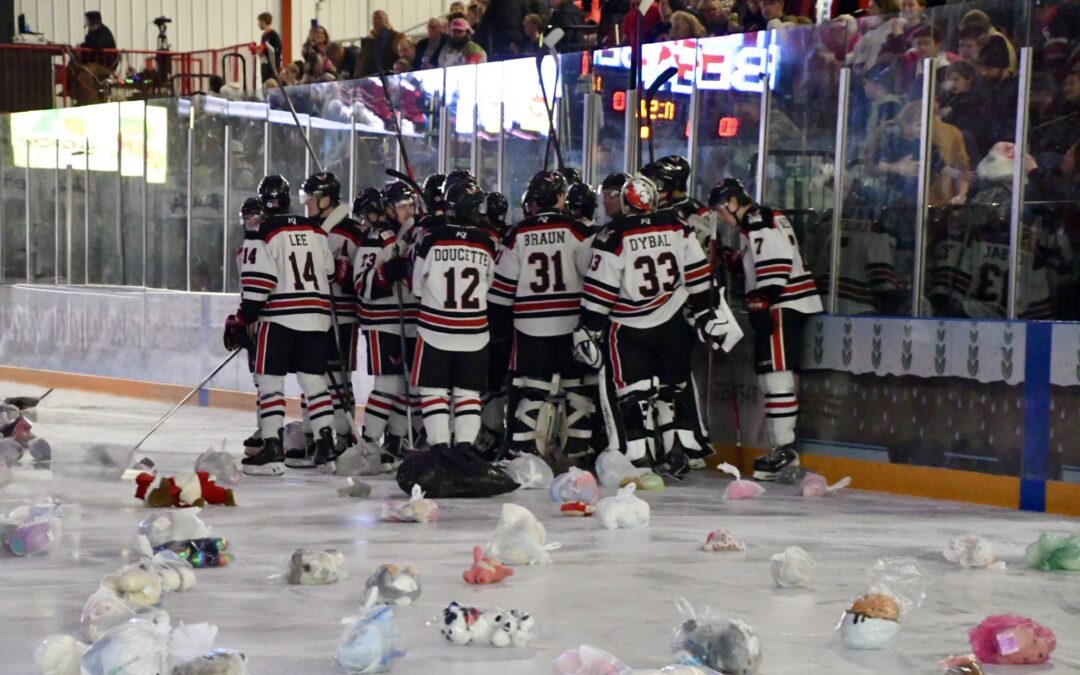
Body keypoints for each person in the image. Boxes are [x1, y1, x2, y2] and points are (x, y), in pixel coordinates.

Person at [574, 175, 731, 476]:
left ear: (625, 201)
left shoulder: (613, 234)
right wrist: (704, 313)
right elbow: (698, 275)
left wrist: (588, 327)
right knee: (672, 389)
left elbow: (600, 290)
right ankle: (677, 450)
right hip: (672, 323)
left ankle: (637, 456)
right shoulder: (676, 225)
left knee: (632, 394)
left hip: (629, 328)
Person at [709, 177, 822, 481]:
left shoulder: (757, 221)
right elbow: (763, 258)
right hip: (788, 304)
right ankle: (782, 447)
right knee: (772, 376)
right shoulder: (762, 220)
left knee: (777, 377)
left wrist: (762, 299)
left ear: (733, 202)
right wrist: (731, 259)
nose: (720, 216)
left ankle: (784, 449)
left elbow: (777, 262)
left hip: (783, 306)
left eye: (721, 209)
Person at [225, 175, 337, 475]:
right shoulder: (315, 229)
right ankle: (326, 444)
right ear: (288, 200)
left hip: (279, 319)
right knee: (314, 381)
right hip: (317, 316)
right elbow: (330, 271)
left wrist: (242, 319)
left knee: (270, 382)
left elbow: (259, 284)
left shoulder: (262, 231)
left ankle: (272, 447)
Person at [488, 171, 598, 464]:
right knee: (577, 389)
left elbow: (501, 288)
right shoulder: (578, 230)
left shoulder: (517, 233)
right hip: (571, 324)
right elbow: (594, 275)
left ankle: (524, 455)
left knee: (532, 389)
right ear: (561, 197)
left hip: (529, 327)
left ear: (533, 200)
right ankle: (578, 453)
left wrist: (498, 325)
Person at [410, 180, 501, 454]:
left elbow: (416, 287)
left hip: (434, 329)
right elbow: (490, 283)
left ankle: (439, 450)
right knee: (468, 395)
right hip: (474, 331)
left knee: (434, 392)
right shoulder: (487, 242)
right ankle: (465, 452)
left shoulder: (431, 238)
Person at [294, 172, 366, 465]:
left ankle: (342, 435)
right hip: (315, 314)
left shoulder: (349, 231)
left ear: (326, 199)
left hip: (342, 317)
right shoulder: (309, 229)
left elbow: (357, 277)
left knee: (338, 377)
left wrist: (345, 276)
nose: (307, 203)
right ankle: (315, 434)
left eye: (311, 197)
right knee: (312, 375)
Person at [352, 183, 422, 470]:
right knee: (388, 383)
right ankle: (369, 442)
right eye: (402, 206)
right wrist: (385, 273)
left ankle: (396, 439)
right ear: (389, 209)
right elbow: (360, 284)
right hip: (383, 322)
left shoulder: (417, 233)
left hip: (412, 320)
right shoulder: (377, 237)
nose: (408, 211)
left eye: (410, 205)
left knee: (410, 385)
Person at [357, 11, 403, 77]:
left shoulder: (397, 37)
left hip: (389, 76)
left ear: (386, 21)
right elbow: (360, 62)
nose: (377, 21)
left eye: (380, 18)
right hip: (369, 78)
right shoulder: (367, 41)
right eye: (375, 18)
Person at [257, 12, 283, 83]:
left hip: (272, 67)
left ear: (263, 22)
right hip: (264, 66)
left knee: (271, 83)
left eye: (259, 22)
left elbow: (278, 49)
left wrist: (265, 50)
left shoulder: (273, 35)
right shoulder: (264, 35)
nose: (258, 24)